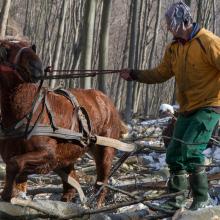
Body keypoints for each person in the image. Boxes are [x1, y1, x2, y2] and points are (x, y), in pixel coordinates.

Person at [120, 1, 220, 211]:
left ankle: (202, 200)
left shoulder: (208, 42)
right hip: (186, 108)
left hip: (210, 106)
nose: (167, 28)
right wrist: (135, 75)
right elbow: (160, 74)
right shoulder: (174, 48)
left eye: (170, 23)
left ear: (184, 21)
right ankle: (176, 200)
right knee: (174, 152)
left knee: (191, 150)